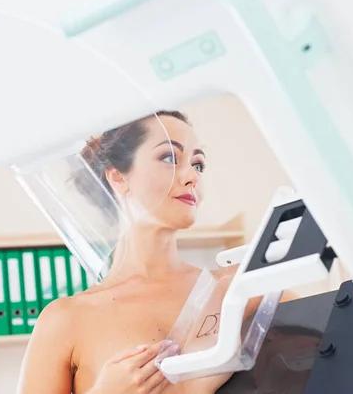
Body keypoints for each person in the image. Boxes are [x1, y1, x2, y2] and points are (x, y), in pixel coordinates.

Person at [16, 111, 297, 394]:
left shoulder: (241, 290)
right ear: (118, 178)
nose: (191, 177)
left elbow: (333, 354)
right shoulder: (65, 320)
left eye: (198, 164)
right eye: (170, 158)